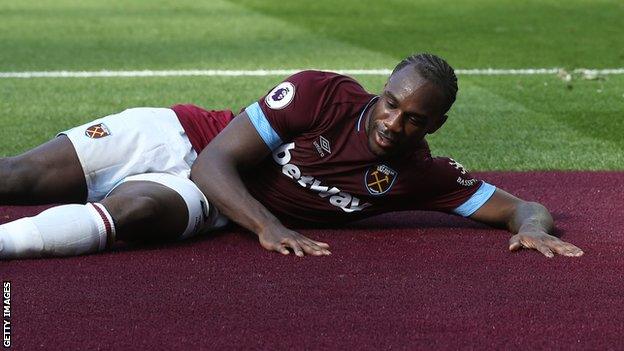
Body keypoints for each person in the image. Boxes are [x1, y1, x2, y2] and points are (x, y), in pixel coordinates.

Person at [0, 53, 583, 260]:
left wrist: (533, 228)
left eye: (414, 119)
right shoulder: (319, 93)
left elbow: (521, 206)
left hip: (215, 200)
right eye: (390, 104)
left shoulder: (420, 176)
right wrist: (271, 227)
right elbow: (211, 160)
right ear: (381, 92)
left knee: (132, 215)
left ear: (436, 125)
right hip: (180, 137)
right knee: (17, 176)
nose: (393, 123)